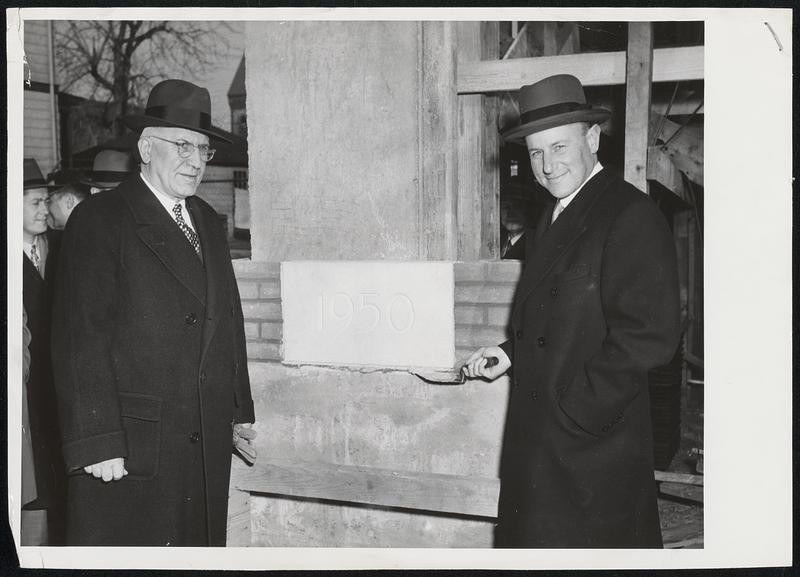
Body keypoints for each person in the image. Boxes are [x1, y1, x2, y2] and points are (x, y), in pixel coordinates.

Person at [464, 74, 681, 548]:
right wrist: (510, 352)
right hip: (545, 444)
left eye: (559, 148)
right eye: (536, 153)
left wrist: (575, 412)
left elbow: (649, 336)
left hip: (591, 449)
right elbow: (561, 317)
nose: (546, 165)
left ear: (592, 138)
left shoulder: (630, 214)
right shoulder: (554, 214)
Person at [51, 79, 255, 546]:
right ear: (146, 147)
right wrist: (96, 438)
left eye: (204, 150)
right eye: (182, 144)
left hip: (201, 429)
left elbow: (227, 315)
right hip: (132, 442)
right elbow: (80, 338)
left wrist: (238, 406)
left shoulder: (205, 218)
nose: (195, 160)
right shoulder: (101, 220)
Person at [22, 158, 67, 544]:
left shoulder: (59, 249)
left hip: (58, 393)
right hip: (25, 398)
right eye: (34, 202)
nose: (44, 209)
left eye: (45, 201)